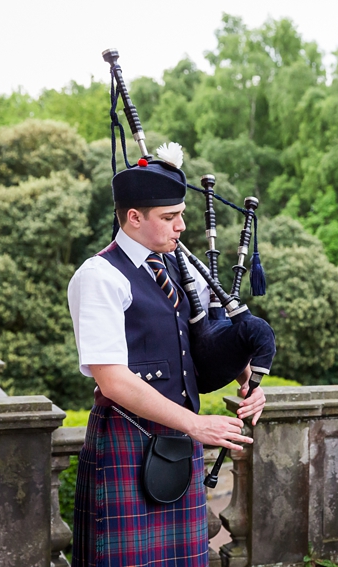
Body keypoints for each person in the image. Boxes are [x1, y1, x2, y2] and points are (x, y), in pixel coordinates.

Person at [67, 150, 266, 567]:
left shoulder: (179, 267)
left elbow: (201, 341)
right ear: (134, 217)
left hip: (176, 440)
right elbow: (113, 380)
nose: (182, 225)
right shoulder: (100, 276)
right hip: (128, 437)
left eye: (182, 214)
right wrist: (196, 424)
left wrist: (246, 376)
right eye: (170, 216)